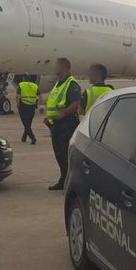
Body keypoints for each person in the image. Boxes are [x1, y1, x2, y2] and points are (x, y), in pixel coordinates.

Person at [45, 58, 81, 190]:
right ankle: (63, 179)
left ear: (63, 67)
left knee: (66, 154)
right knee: (59, 154)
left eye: (56, 66)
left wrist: (63, 113)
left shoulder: (71, 84)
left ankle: (69, 181)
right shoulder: (59, 83)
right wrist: (48, 117)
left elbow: (76, 103)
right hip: (56, 124)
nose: (54, 68)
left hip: (67, 124)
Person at [16, 74, 39, 144]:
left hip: (23, 106)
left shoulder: (21, 85)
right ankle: (24, 137)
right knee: (28, 123)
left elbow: (17, 96)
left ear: (23, 78)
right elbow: (40, 96)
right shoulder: (35, 86)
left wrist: (17, 104)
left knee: (26, 123)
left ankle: (32, 137)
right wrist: (39, 105)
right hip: (32, 106)